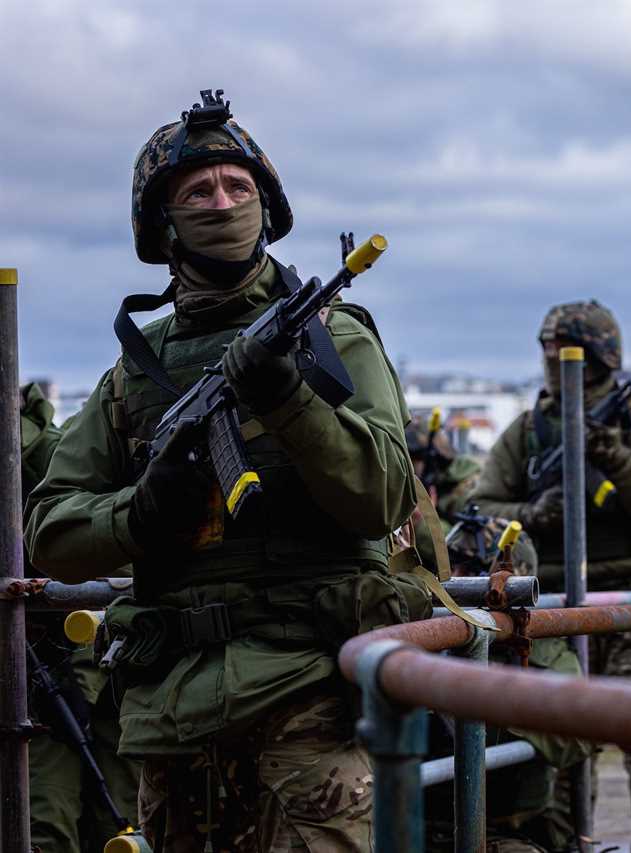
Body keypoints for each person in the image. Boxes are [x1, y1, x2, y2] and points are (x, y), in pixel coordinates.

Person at [24, 89, 428, 852]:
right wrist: (140, 513)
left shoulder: (331, 335)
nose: (222, 202)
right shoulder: (134, 371)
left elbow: (380, 496)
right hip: (172, 714)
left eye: (238, 186)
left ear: (267, 206)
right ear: (163, 222)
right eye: (198, 191)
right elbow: (49, 529)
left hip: (307, 696)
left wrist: (286, 398)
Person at [469, 300, 631, 848]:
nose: (554, 360)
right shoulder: (530, 429)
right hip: (556, 611)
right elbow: (480, 508)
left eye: (564, 350)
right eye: (546, 349)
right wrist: (535, 514)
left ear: (600, 355)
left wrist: (612, 454)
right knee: (561, 750)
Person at [20, 382, 141, 852]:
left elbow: (118, 563)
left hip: (100, 669)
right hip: (45, 681)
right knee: (44, 824)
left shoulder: (53, 457)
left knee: (116, 819)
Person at [425, 515, 590, 853]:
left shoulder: (544, 652)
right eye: (452, 566)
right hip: (424, 815)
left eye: (468, 569)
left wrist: (481, 716)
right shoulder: (432, 630)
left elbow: (578, 729)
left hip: (506, 824)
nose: (456, 579)